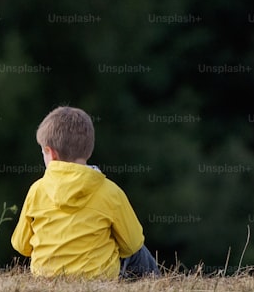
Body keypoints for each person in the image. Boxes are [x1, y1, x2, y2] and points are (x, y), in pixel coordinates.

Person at [10, 106, 161, 280]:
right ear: (89, 150)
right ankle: (158, 290)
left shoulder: (37, 190)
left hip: (46, 277)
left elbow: (21, 246)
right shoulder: (110, 191)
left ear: (51, 153)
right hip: (99, 279)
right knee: (139, 252)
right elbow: (132, 244)